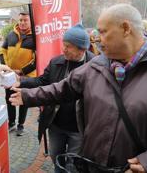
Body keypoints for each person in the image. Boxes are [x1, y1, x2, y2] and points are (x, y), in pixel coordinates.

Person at [9, 4, 147, 172]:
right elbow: (62, 88)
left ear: (126, 29)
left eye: (103, 32)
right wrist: (27, 96)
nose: (96, 39)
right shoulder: (96, 65)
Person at [14, 24, 94, 172]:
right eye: (63, 44)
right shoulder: (56, 62)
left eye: (68, 46)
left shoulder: (94, 66)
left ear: (82, 49)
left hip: (79, 127)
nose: (64, 49)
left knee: (73, 164)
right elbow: (42, 81)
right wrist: (21, 81)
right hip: (55, 123)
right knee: (55, 156)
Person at [0, 11, 36, 136]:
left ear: (30, 21)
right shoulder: (11, 34)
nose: (22, 23)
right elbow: (2, 50)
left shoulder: (35, 37)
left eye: (25, 20)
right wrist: (5, 67)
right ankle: (11, 123)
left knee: (23, 99)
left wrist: (22, 71)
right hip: (10, 75)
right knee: (9, 99)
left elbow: (37, 59)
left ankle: (21, 124)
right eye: (20, 20)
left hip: (25, 76)